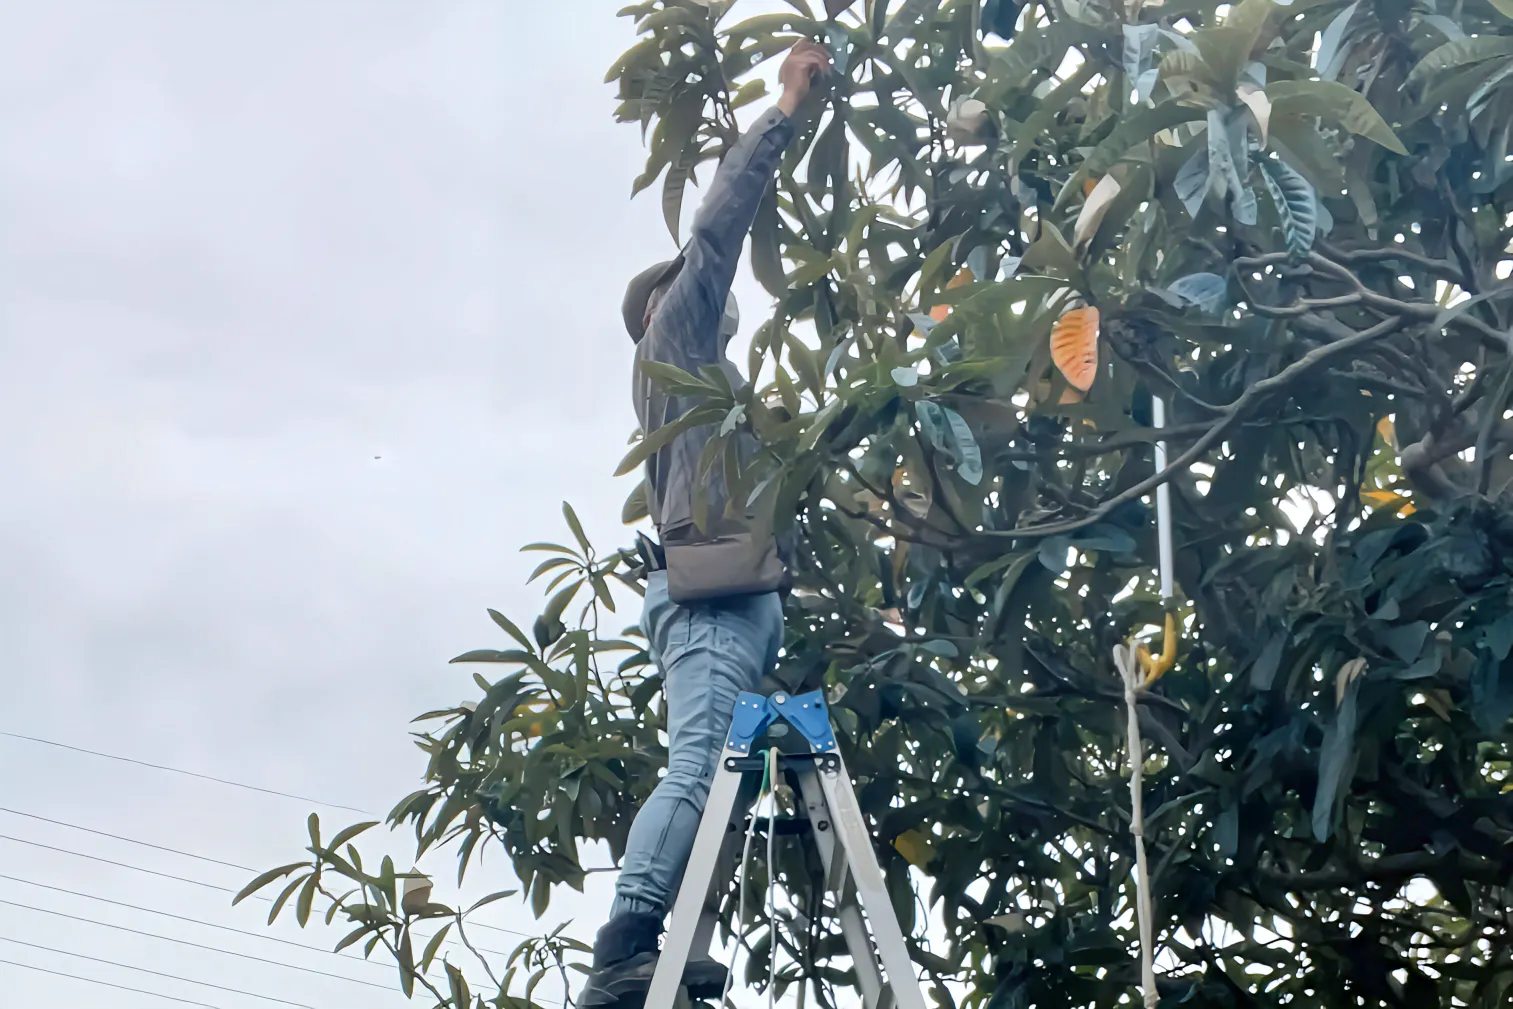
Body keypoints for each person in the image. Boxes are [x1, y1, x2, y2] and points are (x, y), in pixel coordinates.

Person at [576, 38, 833, 1009]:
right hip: (714, 607)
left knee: (718, 772)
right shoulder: (674, 337)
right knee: (697, 766)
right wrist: (784, 113)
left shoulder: (716, 399)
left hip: (735, 606)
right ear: (659, 311)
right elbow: (718, 231)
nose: (699, 291)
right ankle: (628, 939)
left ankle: (670, 941)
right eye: (678, 285)